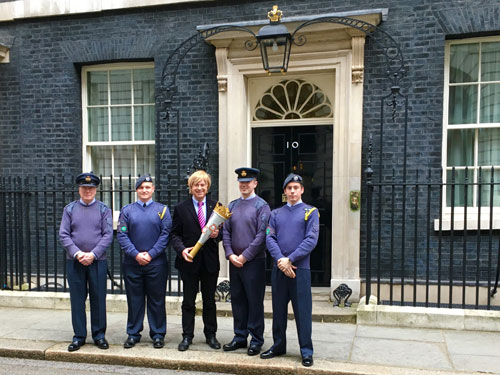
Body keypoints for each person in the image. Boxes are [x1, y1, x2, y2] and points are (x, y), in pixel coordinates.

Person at [261, 173, 319, 367]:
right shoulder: (275, 214)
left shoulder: (311, 212)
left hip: (300, 269)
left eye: (296, 187)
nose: (293, 191)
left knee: (302, 311)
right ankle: (278, 345)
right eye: (289, 188)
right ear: (285, 191)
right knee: (278, 310)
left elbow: (311, 239)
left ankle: (306, 350)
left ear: (302, 190)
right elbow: (270, 237)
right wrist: (281, 260)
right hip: (280, 269)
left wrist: (290, 259)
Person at [59, 172, 113, 352]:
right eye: (84, 188)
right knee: (77, 300)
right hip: (74, 262)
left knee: (98, 299)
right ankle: (79, 336)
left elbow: (108, 235)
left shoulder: (104, 209)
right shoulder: (69, 209)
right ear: (79, 189)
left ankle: (99, 335)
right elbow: (64, 234)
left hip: (98, 261)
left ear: (95, 189)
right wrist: (78, 254)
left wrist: (93, 254)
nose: (87, 191)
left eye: (91, 188)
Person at [117, 174, 172, 349]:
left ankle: (157, 334)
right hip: (132, 264)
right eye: (141, 187)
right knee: (135, 300)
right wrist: (136, 254)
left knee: (157, 300)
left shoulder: (162, 210)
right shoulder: (127, 211)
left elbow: (166, 235)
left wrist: (150, 254)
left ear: (153, 189)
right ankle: (133, 333)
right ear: (136, 190)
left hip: (156, 264)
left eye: (148, 187)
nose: (144, 190)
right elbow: (122, 234)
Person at [170, 170, 221, 351]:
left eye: (203, 184)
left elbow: (223, 233)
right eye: (196, 185)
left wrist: (217, 234)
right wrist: (181, 249)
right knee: (188, 301)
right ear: (190, 188)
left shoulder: (217, 207)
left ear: (207, 187)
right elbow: (174, 234)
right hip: (189, 261)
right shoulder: (180, 208)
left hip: (209, 262)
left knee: (209, 301)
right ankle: (187, 336)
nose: (199, 188)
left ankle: (211, 335)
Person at [222, 167, 270, 356]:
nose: (244, 185)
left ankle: (256, 339)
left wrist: (245, 256)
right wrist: (230, 254)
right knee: (238, 300)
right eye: (241, 182)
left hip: (254, 262)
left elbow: (262, 235)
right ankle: (240, 336)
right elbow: (226, 231)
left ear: (255, 183)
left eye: (248, 182)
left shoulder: (262, 206)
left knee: (254, 301)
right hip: (235, 262)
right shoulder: (232, 206)